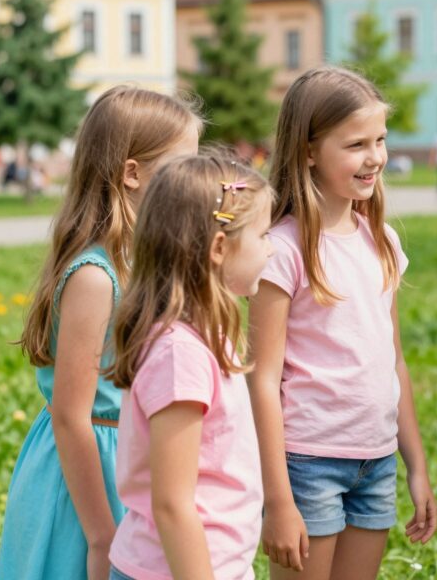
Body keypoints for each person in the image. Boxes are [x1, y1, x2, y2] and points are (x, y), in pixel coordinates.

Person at [0, 87, 200, 580]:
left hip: (135, 462)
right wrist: (101, 533)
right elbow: (71, 416)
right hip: (89, 480)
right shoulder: (95, 276)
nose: (195, 184)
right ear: (132, 174)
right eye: (182, 168)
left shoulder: (149, 262)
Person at [249, 66, 437, 580]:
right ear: (308, 151)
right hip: (307, 461)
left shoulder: (383, 243)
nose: (375, 156)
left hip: (374, 461)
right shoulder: (281, 250)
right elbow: (261, 379)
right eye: (356, 144)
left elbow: (393, 360)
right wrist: (278, 500)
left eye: (380, 140)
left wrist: (415, 465)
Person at [106, 154, 272, 579]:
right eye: (263, 235)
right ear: (219, 248)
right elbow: (173, 504)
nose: (271, 249)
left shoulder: (203, 339)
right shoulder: (181, 355)